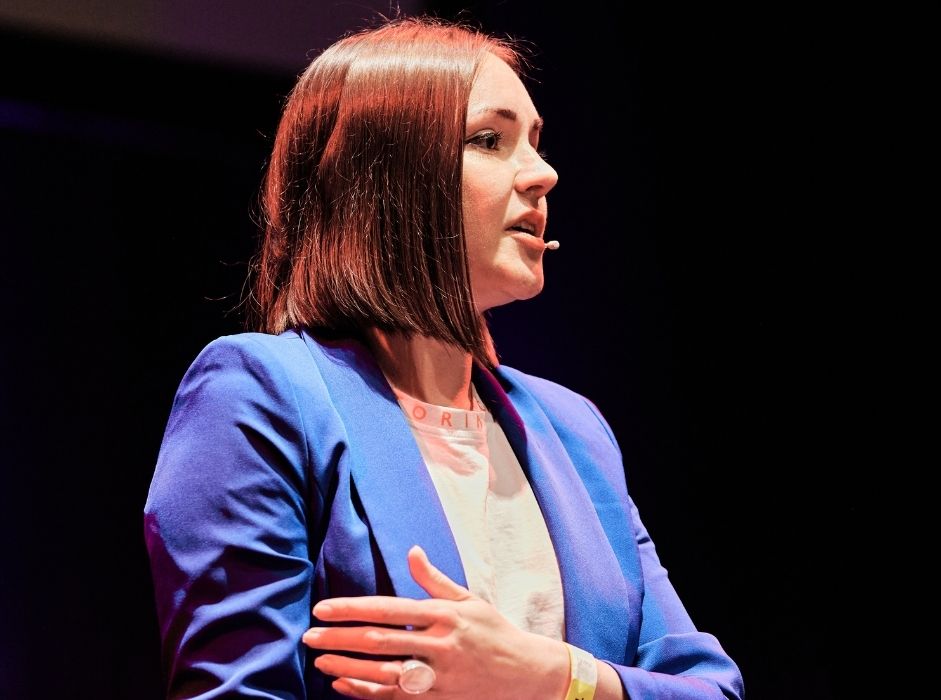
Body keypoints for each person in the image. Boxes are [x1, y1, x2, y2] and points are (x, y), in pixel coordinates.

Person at [143, 14, 745, 700]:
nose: (542, 174)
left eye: (536, 143)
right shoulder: (261, 392)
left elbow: (709, 690)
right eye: (489, 140)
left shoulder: (574, 430)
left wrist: (554, 677)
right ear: (389, 180)